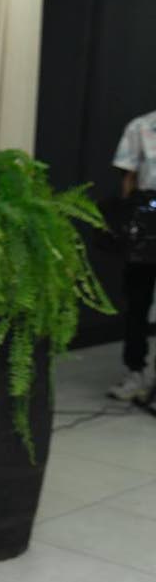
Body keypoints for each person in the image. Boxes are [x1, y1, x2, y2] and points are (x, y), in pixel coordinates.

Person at [109, 108, 156, 404]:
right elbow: (129, 177)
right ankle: (134, 371)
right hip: (147, 217)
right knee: (137, 299)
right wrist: (128, 226)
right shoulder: (141, 126)